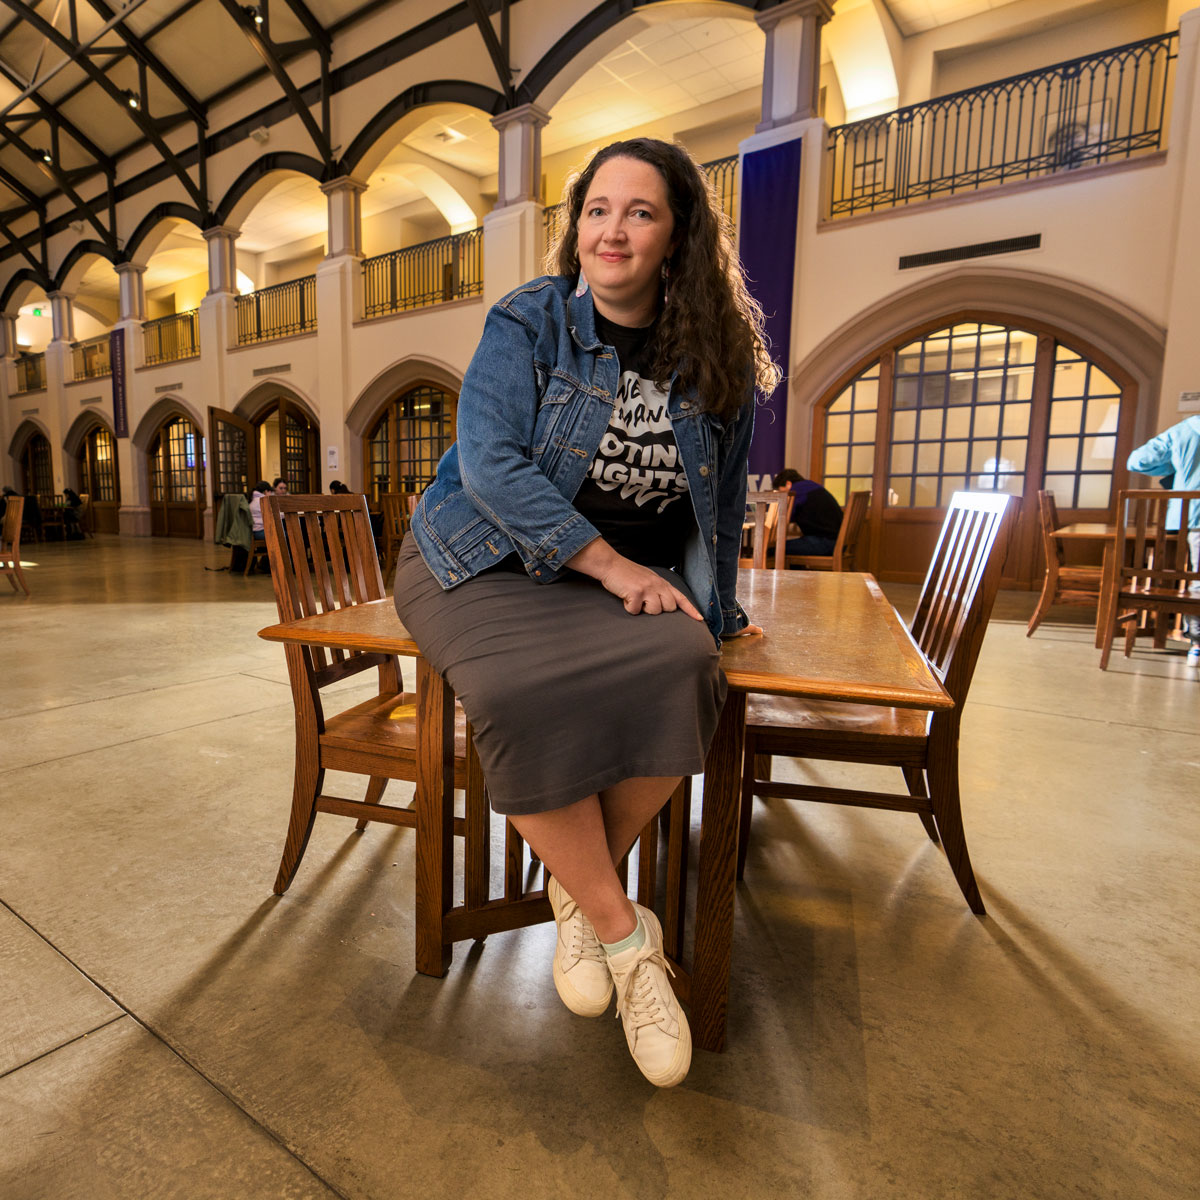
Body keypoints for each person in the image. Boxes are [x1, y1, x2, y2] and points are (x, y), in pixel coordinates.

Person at [394, 137, 777, 1087]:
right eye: (597, 209)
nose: (612, 230)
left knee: (691, 672)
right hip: (475, 558)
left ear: (678, 235)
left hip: (612, 578)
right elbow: (489, 468)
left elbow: (718, 506)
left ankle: (577, 888)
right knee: (516, 692)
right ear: (578, 226)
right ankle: (624, 935)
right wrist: (609, 567)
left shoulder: (717, 355)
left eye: (639, 212)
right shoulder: (532, 320)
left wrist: (716, 611)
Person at [1126, 414, 1200, 665]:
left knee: (1195, 580)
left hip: (1187, 518)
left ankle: (1197, 643)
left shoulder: (1186, 430)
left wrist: (1173, 467)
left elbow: (1138, 461)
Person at [772, 467, 843, 558]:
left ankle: (793, 572)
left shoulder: (795, 491)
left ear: (788, 484)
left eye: (782, 493)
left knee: (775, 549)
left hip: (825, 544)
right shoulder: (812, 486)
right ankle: (798, 572)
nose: (783, 497)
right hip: (837, 542)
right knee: (789, 546)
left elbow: (783, 518)